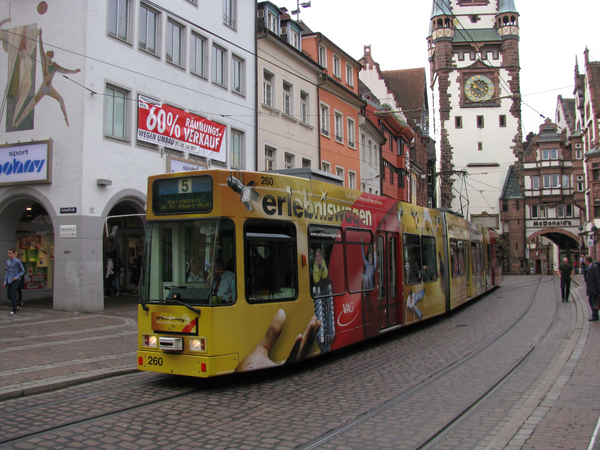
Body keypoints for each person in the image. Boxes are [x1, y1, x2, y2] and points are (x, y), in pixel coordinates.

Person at [4, 248, 25, 315]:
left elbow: (22, 270)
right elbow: (7, 272)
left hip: (15, 280)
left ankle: (14, 309)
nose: (9, 255)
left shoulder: (17, 261)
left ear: (14, 253)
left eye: (10, 253)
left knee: (13, 294)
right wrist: (5, 281)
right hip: (9, 279)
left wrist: (17, 277)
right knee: (8, 294)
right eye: (8, 253)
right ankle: (18, 302)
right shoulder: (8, 262)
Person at [584, 256, 600, 321]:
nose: (585, 263)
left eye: (585, 261)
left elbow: (598, 279)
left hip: (594, 289)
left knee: (594, 302)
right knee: (592, 301)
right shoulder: (591, 267)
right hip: (592, 289)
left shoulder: (594, 267)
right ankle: (594, 315)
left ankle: (595, 315)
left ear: (588, 261)